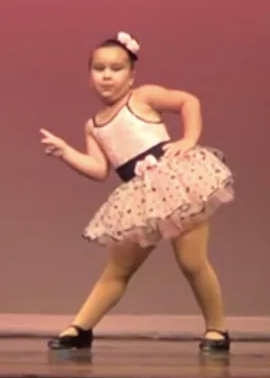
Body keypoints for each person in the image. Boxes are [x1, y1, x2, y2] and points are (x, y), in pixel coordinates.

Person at [40, 31, 234, 353]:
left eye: (116, 68)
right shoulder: (94, 125)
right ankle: (81, 327)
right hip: (139, 199)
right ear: (90, 75)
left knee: (191, 261)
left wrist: (189, 139)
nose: (106, 75)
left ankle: (217, 329)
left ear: (131, 76)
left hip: (177, 186)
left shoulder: (142, 97)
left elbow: (188, 101)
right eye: (99, 68)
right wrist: (65, 152)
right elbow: (99, 170)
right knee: (118, 269)